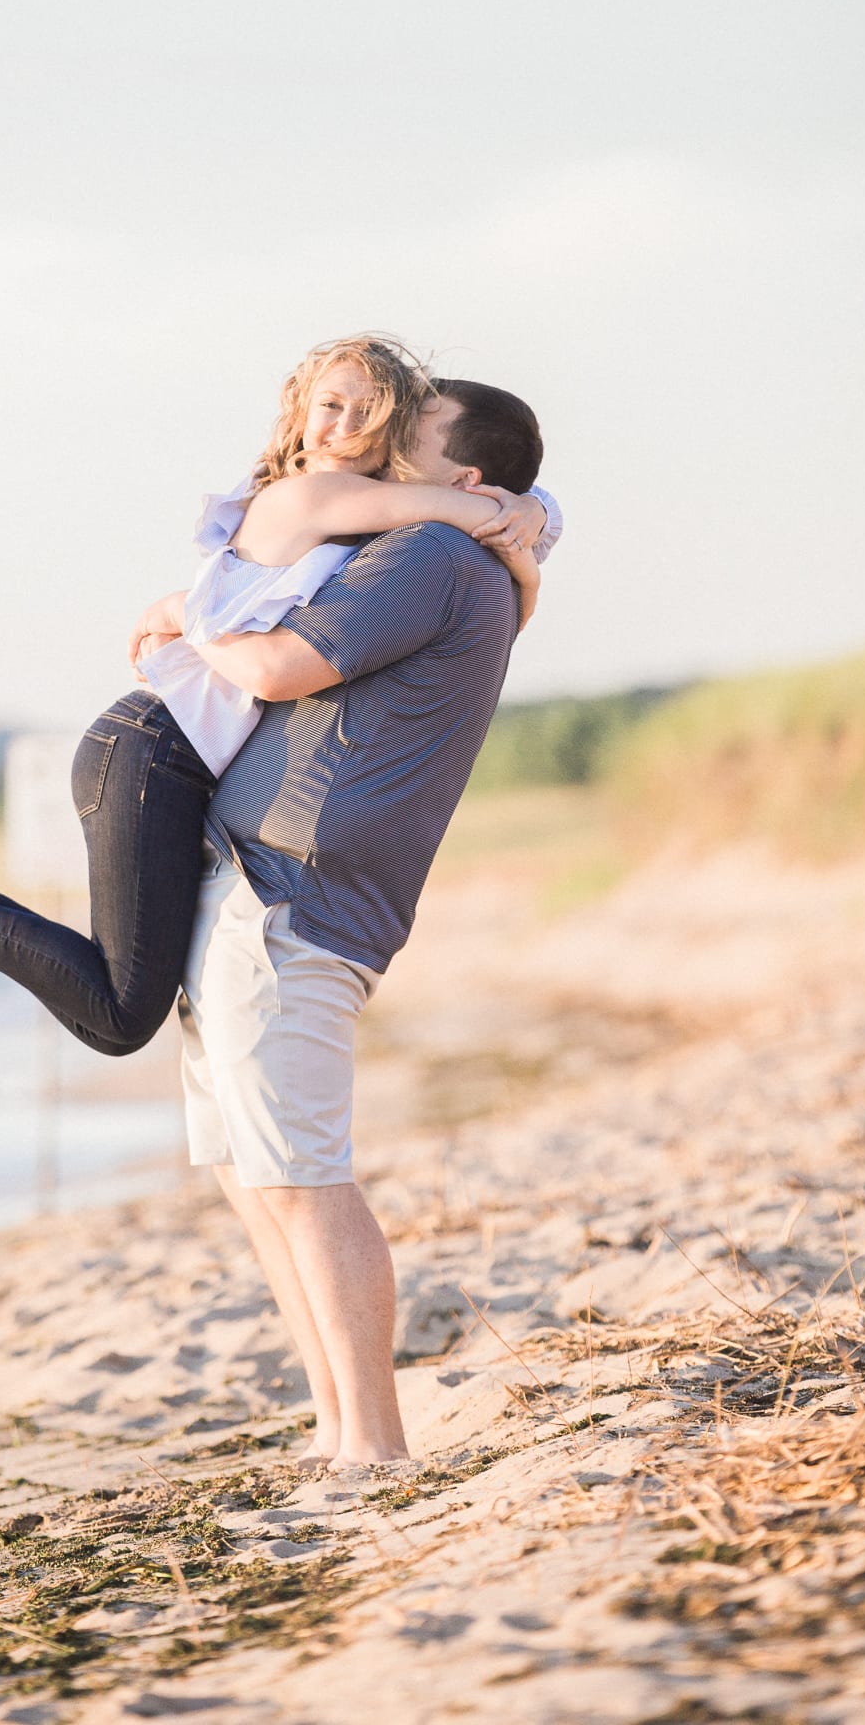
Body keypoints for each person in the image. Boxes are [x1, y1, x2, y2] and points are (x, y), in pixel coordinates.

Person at [0, 339, 560, 1074]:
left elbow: (482, 516)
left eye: (373, 415)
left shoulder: (368, 517)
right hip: (155, 747)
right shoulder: (316, 499)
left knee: (128, 1001)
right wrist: (521, 522)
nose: (345, 426)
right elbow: (456, 511)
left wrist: (526, 524)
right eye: (330, 406)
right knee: (121, 1016)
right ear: (300, 412)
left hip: (182, 752)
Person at [169, 372, 550, 1469]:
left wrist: (192, 627)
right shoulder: (460, 550)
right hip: (267, 888)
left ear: (465, 473)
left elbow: (286, 661)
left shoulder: (434, 555)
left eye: (410, 431)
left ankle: (372, 1442)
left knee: (299, 1175)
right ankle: (336, 1423)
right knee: (257, 1173)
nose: (380, 442)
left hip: (290, 898)